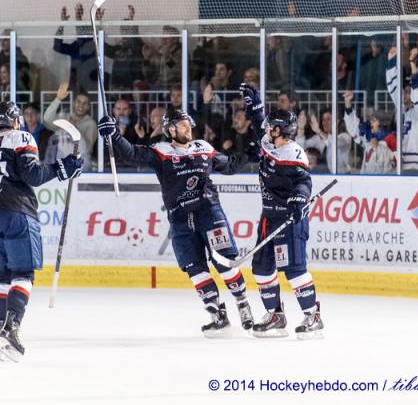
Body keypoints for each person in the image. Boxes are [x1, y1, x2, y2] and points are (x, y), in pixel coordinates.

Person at [97, 109, 254, 337]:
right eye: (182, 125)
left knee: (225, 260)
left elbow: (230, 165)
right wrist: (114, 136)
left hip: (209, 211)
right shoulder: (161, 151)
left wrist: (252, 151)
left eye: (188, 124)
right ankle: (218, 316)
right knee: (194, 267)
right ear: (170, 129)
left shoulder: (203, 148)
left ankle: (243, 303)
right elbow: (130, 154)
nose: (188, 128)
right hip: (180, 218)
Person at [0, 101, 83, 361]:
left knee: (3, 277)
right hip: (16, 211)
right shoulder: (20, 137)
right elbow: (32, 175)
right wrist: (62, 168)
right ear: (15, 120)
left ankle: (1, 333)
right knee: (22, 273)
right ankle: (11, 332)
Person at [239, 83, 324, 340]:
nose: (265, 129)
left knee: (295, 269)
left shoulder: (294, 153)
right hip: (269, 217)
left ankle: (313, 317)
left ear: (279, 130)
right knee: (262, 268)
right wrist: (255, 106)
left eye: (270, 126)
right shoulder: (269, 140)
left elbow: (304, 182)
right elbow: (257, 124)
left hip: (290, 219)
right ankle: (276, 316)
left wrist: (299, 199)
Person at [386, 46, 418, 174]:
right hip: (400, 167)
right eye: (406, 91)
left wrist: (413, 63)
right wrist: (391, 61)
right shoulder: (402, 112)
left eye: (409, 91)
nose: (406, 94)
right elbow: (394, 90)